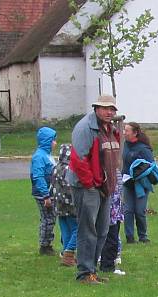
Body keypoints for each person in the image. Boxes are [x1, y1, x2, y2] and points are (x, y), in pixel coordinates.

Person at [67, 94, 122, 284]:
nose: (109, 112)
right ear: (96, 108)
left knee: (103, 229)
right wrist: (91, 184)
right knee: (87, 229)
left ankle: (92, 271)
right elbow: (78, 160)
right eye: (105, 108)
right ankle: (84, 273)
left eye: (112, 109)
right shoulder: (85, 128)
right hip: (86, 186)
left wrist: (109, 185)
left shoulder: (111, 129)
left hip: (105, 187)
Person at [121, 122, 155, 244]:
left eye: (127, 130)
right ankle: (129, 237)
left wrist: (138, 174)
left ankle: (143, 236)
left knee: (139, 211)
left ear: (135, 133)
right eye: (124, 130)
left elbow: (151, 165)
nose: (124, 133)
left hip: (141, 183)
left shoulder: (143, 148)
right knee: (128, 210)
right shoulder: (125, 145)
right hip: (127, 182)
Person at [30, 126, 57, 256]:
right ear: (47, 141)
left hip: (49, 192)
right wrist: (45, 195)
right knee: (48, 218)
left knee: (50, 218)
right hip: (43, 194)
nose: (55, 143)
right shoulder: (39, 157)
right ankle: (45, 245)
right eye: (53, 140)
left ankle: (47, 243)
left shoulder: (47, 155)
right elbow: (38, 176)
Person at [49, 143, 77, 267]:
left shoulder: (56, 167)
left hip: (58, 205)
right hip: (70, 204)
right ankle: (68, 253)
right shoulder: (70, 169)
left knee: (66, 230)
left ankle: (66, 256)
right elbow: (73, 187)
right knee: (78, 229)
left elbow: (52, 185)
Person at [99, 170, 125, 276]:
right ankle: (108, 265)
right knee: (111, 238)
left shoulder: (113, 169)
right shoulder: (108, 168)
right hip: (111, 209)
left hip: (114, 207)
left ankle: (107, 262)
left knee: (110, 237)